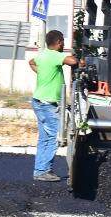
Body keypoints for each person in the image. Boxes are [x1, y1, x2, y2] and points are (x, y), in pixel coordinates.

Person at [27, 30, 77, 183]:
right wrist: (81, 61)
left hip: (38, 101)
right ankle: (43, 170)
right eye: (63, 42)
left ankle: (39, 170)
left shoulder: (42, 55)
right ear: (60, 42)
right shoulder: (55, 55)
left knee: (44, 138)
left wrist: (42, 72)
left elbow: (31, 62)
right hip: (47, 104)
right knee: (56, 136)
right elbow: (73, 62)